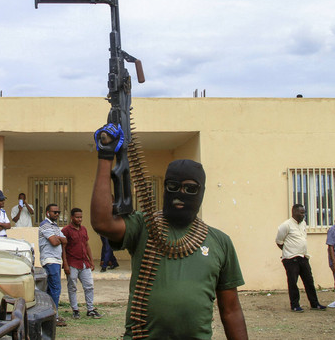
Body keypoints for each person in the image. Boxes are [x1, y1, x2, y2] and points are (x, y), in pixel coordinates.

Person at [91, 124, 247, 340]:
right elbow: (102, 223)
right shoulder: (143, 225)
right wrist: (106, 155)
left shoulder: (219, 242)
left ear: (201, 192)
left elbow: (231, 310)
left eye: (190, 189)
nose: (180, 194)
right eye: (173, 186)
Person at [275, 204, 326, 312]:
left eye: (304, 212)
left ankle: (315, 303)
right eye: (301, 212)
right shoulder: (286, 225)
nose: (303, 215)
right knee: (293, 282)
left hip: (303, 257)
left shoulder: (303, 224)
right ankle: (295, 305)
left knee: (309, 281)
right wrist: (289, 251)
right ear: (294, 212)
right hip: (291, 259)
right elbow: (279, 242)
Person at [61, 208, 102, 319]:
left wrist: (92, 261)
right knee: (72, 287)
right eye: (77, 217)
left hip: (84, 263)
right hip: (72, 263)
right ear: (72, 218)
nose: (79, 219)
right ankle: (75, 310)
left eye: (81, 217)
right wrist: (65, 264)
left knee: (89, 286)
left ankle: (90, 309)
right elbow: (63, 249)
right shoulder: (66, 231)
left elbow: (87, 245)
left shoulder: (84, 229)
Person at [39, 203, 67, 327]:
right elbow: (54, 242)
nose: (56, 214)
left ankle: (49, 315)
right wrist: (58, 238)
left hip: (56, 260)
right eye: (54, 212)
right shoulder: (44, 225)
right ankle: (53, 318)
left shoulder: (55, 226)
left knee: (50, 289)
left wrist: (58, 238)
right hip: (50, 260)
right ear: (47, 213)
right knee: (55, 289)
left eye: (58, 212)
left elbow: (65, 240)